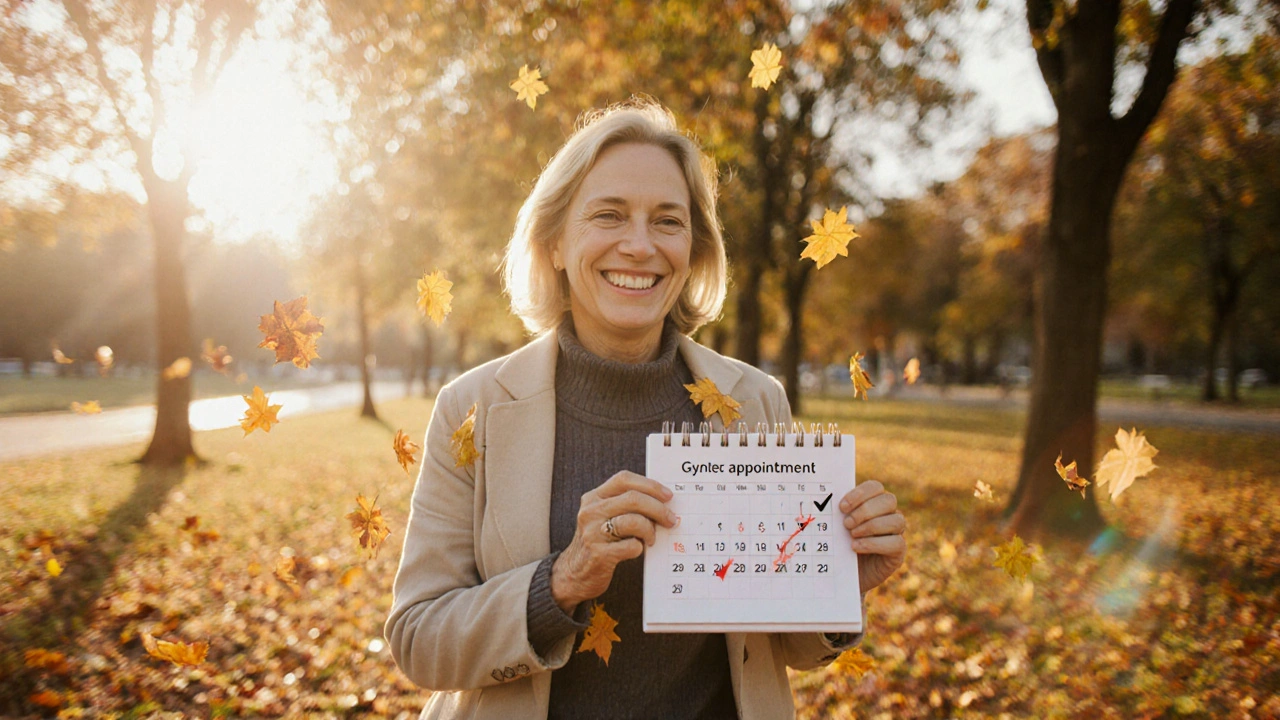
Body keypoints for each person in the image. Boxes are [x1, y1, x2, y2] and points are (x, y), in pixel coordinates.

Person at [385, 100, 907, 720]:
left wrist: (838, 579)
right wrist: (562, 580)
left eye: (668, 221)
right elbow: (418, 640)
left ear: (693, 250)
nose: (639, 246)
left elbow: (780, 641)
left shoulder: (754, 401)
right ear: (554, 242)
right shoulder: (472, 410)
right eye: (608, 215)